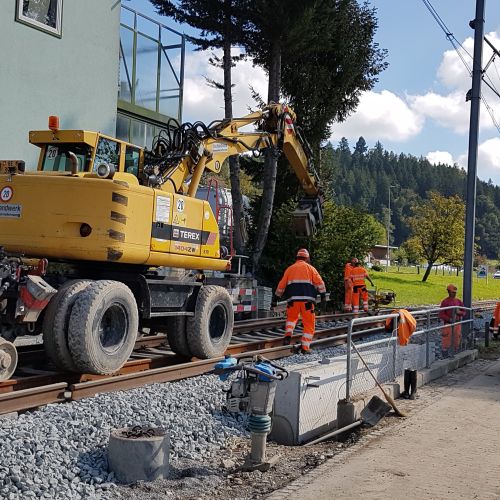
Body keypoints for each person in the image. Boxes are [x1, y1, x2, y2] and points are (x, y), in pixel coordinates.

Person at [275, 249, 326, 354]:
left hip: (293, 301)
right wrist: (323, 296)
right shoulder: (311, 269)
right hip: (307, 302)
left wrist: (276, 297)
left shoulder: (290, 269)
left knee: (291, 319)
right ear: (307, 258)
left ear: (297, 258)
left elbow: (281, 285)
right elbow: (320, 283)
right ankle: (305, 348)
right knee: (309, 324)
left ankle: (288, 335)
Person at [438, 284, 465, 354]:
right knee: (446, 340)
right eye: (453, 292)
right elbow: (441, 314)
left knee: (457, 339)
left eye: (455, 292)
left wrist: (459, 312)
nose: (454, 294)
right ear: (448, 292)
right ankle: (445, 353)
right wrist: (449, 319)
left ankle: (455, 352)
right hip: (448, 324)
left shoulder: (459, 301)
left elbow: (464, 311)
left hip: (457, 324)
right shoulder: (445, 302)